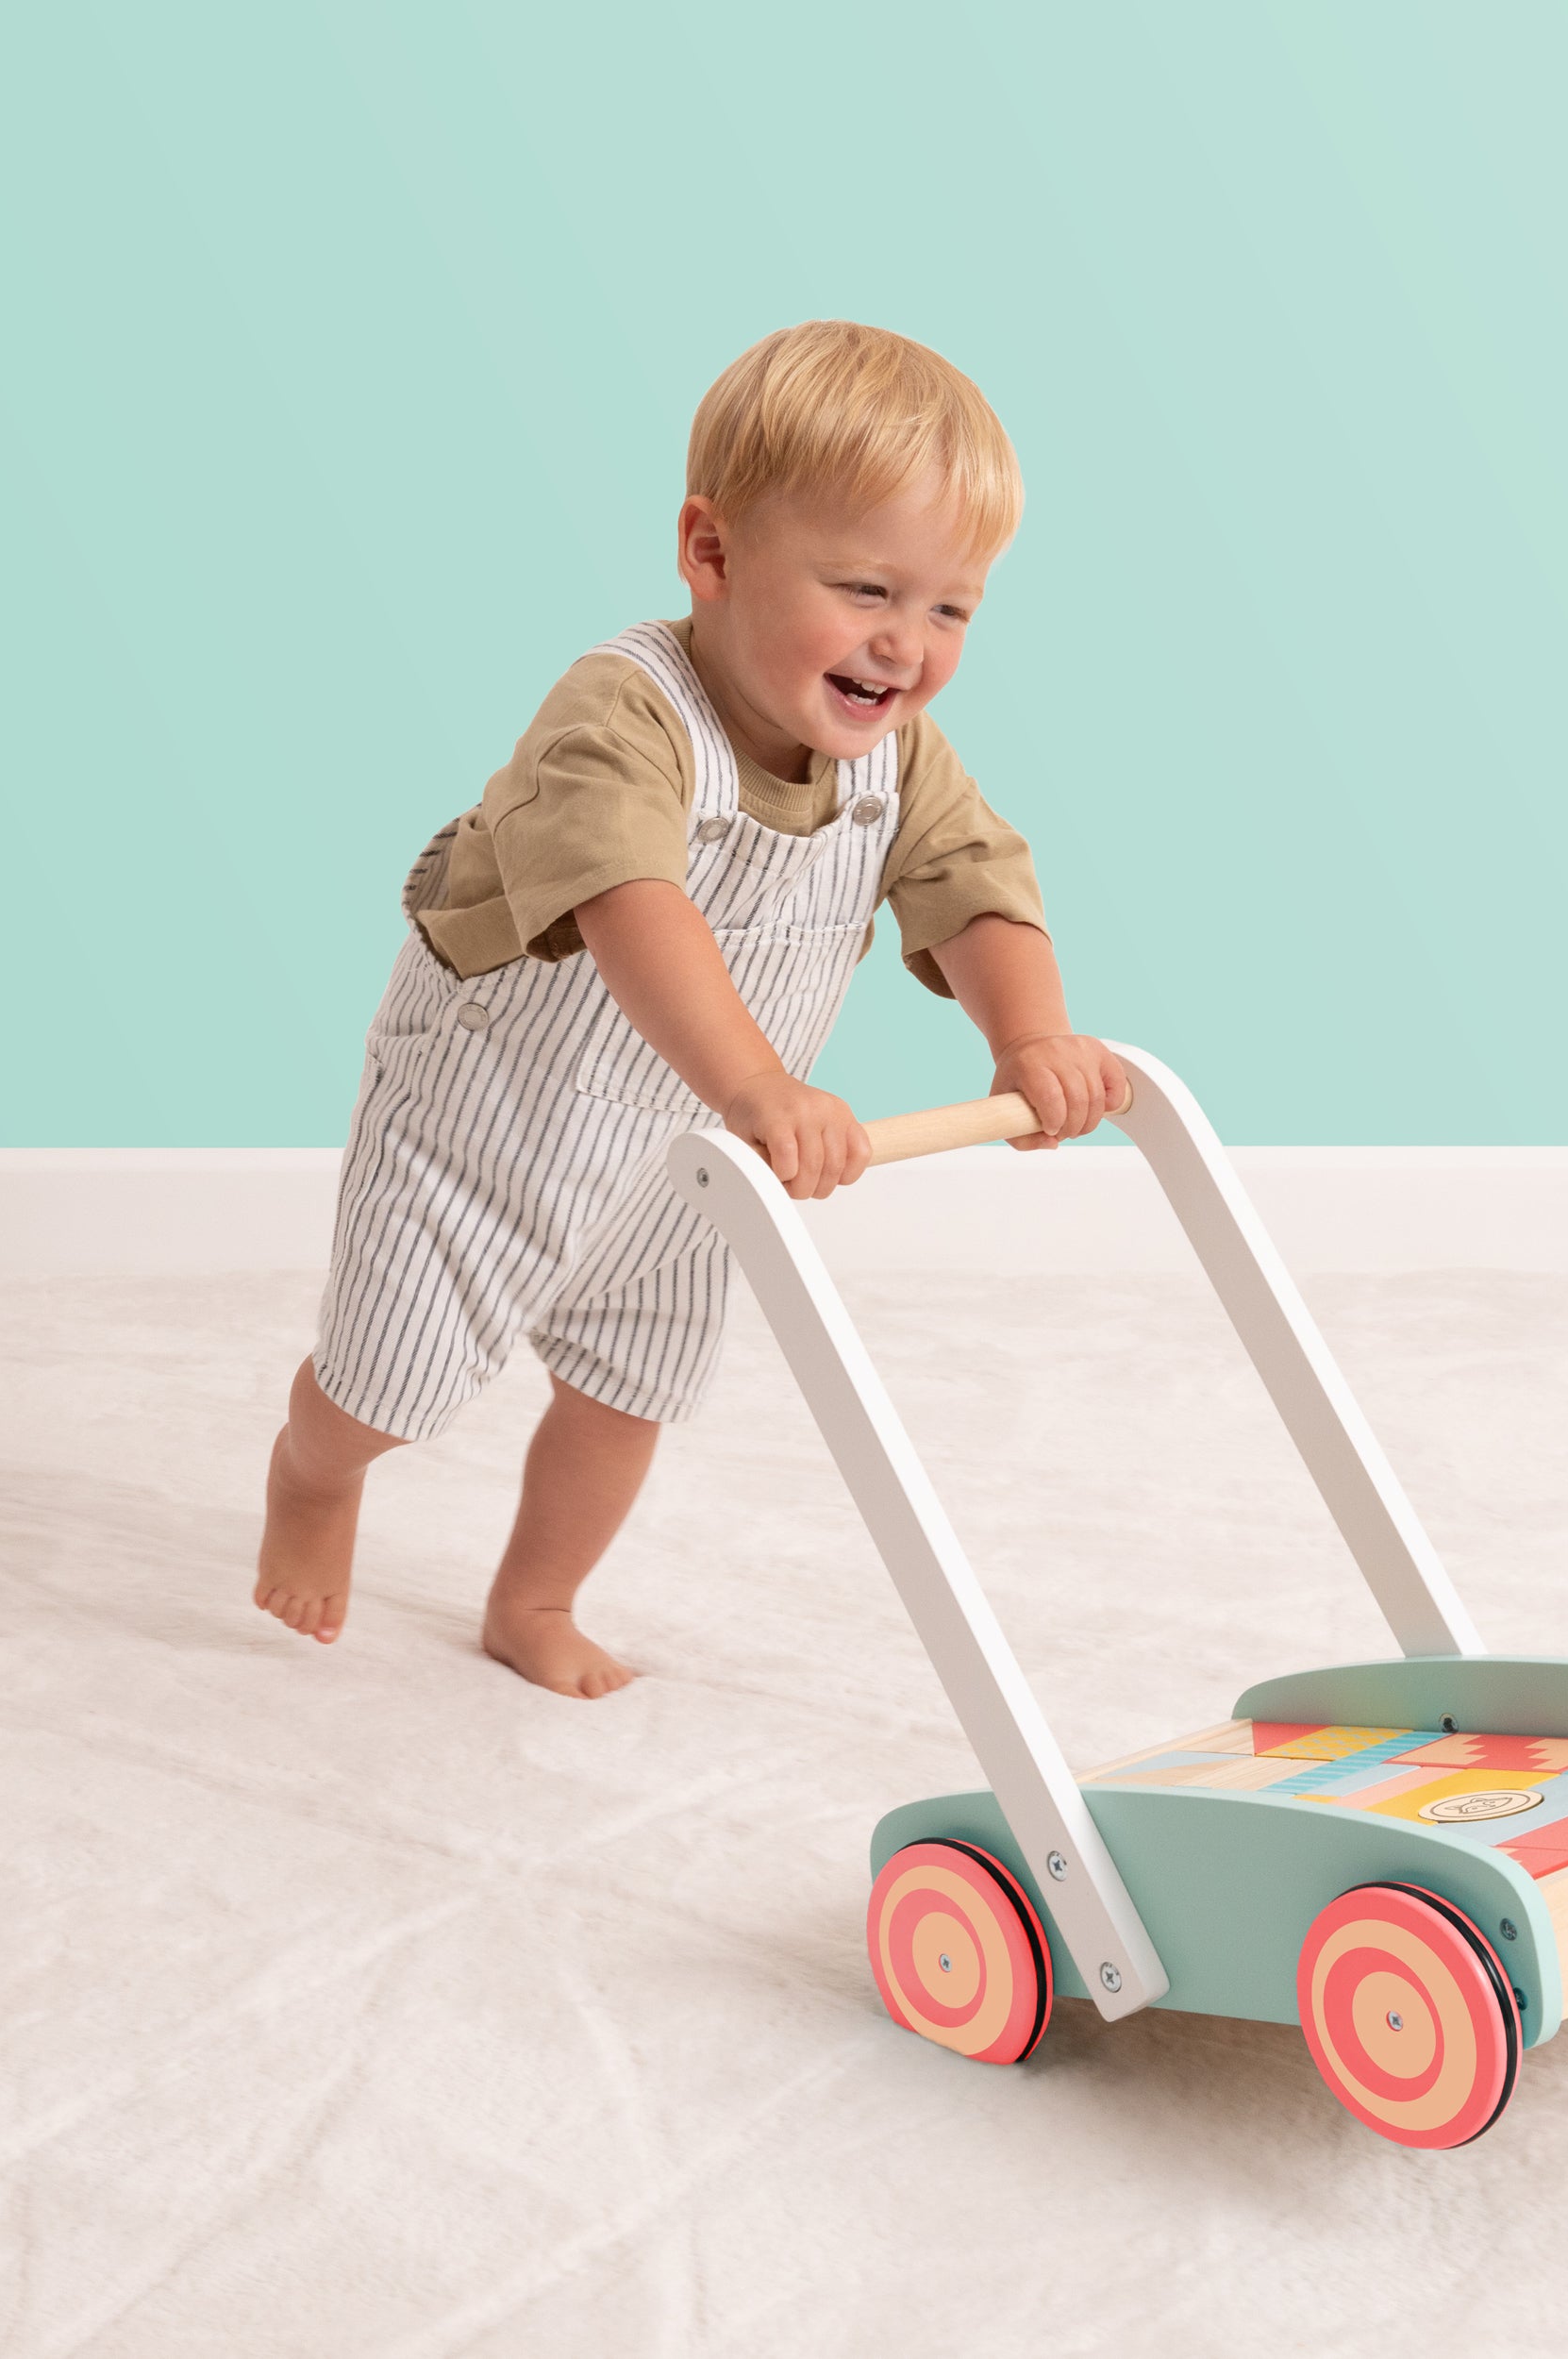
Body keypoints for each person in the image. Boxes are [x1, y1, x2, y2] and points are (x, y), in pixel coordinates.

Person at [252, 321, 1125, 1697]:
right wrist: (760, 1085)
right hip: (493, 1113)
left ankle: (534, 1601)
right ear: (712, 556)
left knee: (629, 1388)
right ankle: (313, 1473)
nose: (907, 645)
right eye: (867, 590)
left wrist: (1029, 1038)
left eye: (952, 607)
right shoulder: (623, 714)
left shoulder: (897, 759)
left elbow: (973, 883)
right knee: (388, 1381)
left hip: (679, 1153)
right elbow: (628, 899)